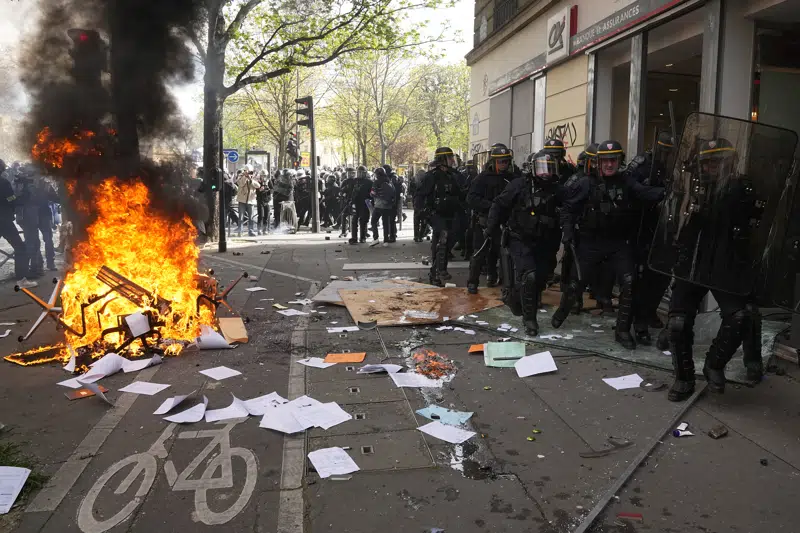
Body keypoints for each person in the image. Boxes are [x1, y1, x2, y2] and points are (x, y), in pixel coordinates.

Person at [661, 138, 761, 401]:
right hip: (692, 263)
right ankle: (683, 378)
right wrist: (683, 202)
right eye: (708, 162)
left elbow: (755, 224)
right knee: (678, 323)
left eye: (720, 161)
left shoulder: (741, 190)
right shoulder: (688, 190)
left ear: (730, 164)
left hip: (724, 264)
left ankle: (714, 364)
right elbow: (673, 225)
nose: (713, 167)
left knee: (740, 316)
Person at [552, 140, 664, 349]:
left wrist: (666, 192)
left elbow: (644, 192)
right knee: (577, 284)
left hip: (618, 243)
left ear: (619, 161)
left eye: (613, 160)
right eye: (605, 160)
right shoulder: (585, 183)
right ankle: (562, 311)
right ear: (597, 162)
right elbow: (568, 208)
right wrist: (567, 232)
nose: (610, 164)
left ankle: (622, 331)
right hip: (590, 242)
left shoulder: (627, 181)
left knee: (629, 282)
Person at [487, 150, 565, 335]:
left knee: (540, 278)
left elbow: (570, 208)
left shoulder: (558, 189)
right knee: (528, 275)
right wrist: (491, 228)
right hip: (520, 239)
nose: (545, 173)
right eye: (541, 169)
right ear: (532, 169)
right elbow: (499, 204)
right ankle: (529, 319)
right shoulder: (519, 185)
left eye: (549, 168)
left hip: (546, 242)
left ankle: (519, 298)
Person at [626, 131, 675, 345]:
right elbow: (631, 188)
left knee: (661, 276)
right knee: (640, 279)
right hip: (640, 228)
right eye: (663, 150)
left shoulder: (673, 169)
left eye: (669, 152)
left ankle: (650, 311)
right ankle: (638, 322)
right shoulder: (642, 165)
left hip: (662, 229)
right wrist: (659, 193)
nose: (666, 155)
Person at [466, 145, 513, 294]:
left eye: (506, 161)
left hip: (504, 222)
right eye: (501, 161)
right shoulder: (483, 178)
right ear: (494, 162)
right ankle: (473, 282)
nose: (504, 164)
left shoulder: (513, 178)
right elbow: (471, 198)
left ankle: (505, 284)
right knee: (479, 252)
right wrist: (491, 205)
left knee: (504, 253)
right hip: (485, 221)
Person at [416, 147, 464, 286]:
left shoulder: (453, 175)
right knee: (441, 239)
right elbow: (420, 195)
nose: (452, 161)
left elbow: (460, 194)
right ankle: (436, 273)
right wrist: (423, 212)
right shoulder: (432, 176)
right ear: (442, 159)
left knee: (450, 239)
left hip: (451, 213)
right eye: (450, 158)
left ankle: (440, 268)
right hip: (436, 214)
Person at [0, 161, 35, 287]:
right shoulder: (3, 183)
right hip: (4, 222)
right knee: (20, 248)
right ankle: (21, 280)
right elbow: (11, 200)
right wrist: (23, 196)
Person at [370, 167, 395, 245]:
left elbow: (373, 193)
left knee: (373, 221)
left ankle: (376, 238)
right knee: (385, 223)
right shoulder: (389, 181)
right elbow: (393, 192)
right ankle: (386, 241)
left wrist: (373, 195)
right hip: (388, 206)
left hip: (379, 205)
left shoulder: (376, 182)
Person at [349, 165, 372, 245]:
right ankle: (354, 237)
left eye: (361, 172)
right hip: (356, 203)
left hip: (365, 203)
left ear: (365, 173)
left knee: (363, 221)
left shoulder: (369, 182)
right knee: (354, 220)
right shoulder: (354, 181)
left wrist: (369, 200)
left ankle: (363, 237)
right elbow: (350, 191)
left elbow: (372, 193)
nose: (359, 174)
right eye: (358, 172)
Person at [236, 165, 260, 237]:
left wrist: (250, 179)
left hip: (251, 200)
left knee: (251, 217)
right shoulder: (240, 176)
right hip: (242, 200)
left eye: (250, 172)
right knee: (241, 217)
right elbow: (240, 184)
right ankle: (240, 231)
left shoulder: (253, 177)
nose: (249, 173)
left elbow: (258, 185)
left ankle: (251, 231)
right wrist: (244, 177)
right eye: (247, 172)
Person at [256, 170, 272, 235]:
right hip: (260, 200)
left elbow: (272, 189)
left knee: (266, 215)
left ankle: (264, 230)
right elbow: (256, 191)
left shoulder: (269, 181)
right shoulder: (258, 182)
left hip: (267, 200)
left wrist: (267, 190)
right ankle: (259, 229)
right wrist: (260, 190)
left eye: (265, 175)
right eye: (263, 175)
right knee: (261, 215)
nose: (264, 177)